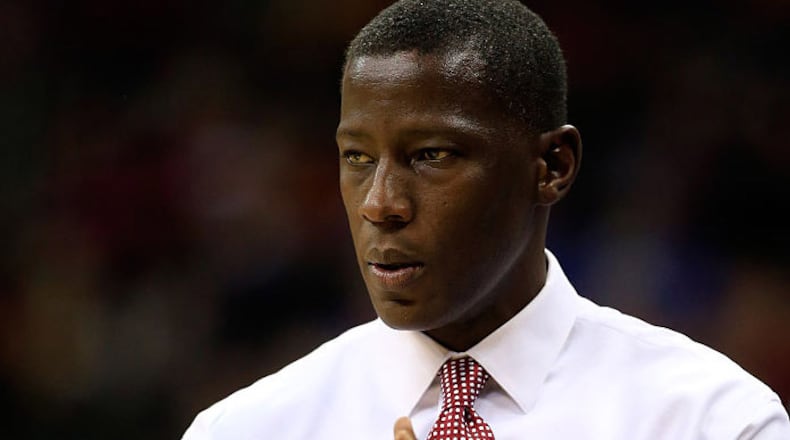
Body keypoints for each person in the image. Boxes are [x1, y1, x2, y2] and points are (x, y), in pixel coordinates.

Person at [181, 1, 790, 438]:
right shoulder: (247, 428)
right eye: (358, 159)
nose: (380, 203)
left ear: (552, 165)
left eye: (431, 155)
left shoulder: (711, 418)